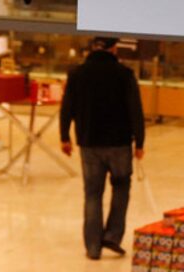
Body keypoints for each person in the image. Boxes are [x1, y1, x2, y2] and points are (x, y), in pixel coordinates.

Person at [60, 37, 145, 260]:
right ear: (113, 48)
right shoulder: (124, 74)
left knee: (92, 193)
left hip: (89, 143)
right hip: (119, 143)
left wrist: (64, 136)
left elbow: (67, 105)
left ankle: (93, 247)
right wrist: (140, 141)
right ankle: (112, 236)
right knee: (121, 187)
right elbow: (135, 109)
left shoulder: (77, 74)